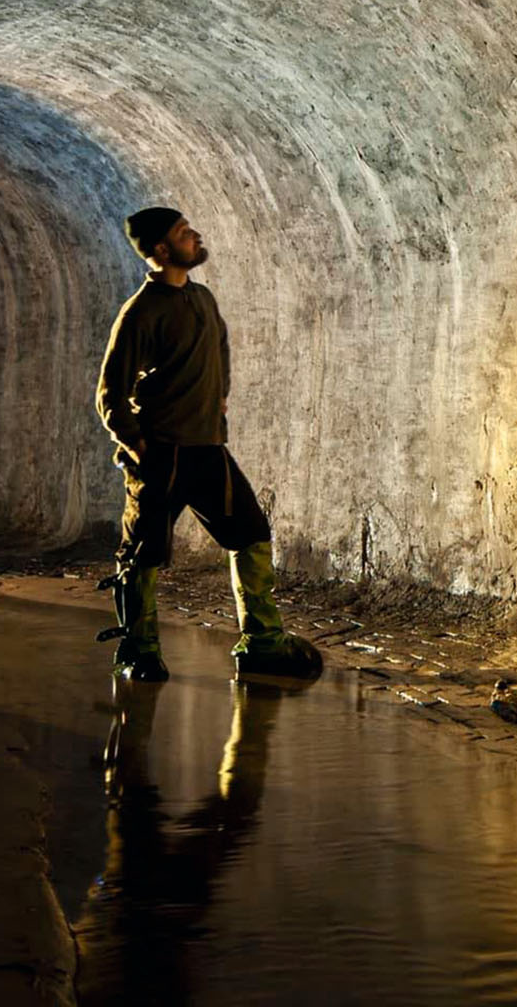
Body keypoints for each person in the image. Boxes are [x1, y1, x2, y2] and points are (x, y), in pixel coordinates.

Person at [95, 205, 323, 681]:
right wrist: (137, 447)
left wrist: (219, 398)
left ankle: (260, 643)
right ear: (162, 249)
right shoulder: (140, 312)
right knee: (142, 555)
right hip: (160, 454)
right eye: (183, 234)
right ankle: (139, 651)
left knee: (252, 535)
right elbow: (109, 394)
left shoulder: (203, 299)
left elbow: (219, 351)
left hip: (208, 450)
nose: (194, 236)